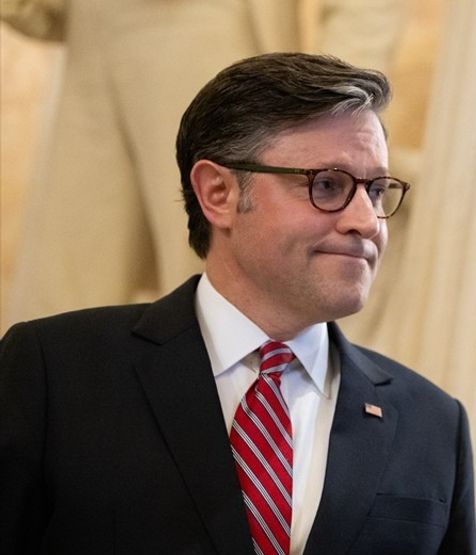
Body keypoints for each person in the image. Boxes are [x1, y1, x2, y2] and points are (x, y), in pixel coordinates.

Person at [0, 53, 476, 555]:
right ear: (219, 193)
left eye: (376, 191)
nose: (366, 221)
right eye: (328, 185)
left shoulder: (432, 425)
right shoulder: (55, 372)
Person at [0, 0, 403, 329]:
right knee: (65, 282)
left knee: (216, 282)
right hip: (93, 28)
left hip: (208, 28)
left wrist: (333, 103)